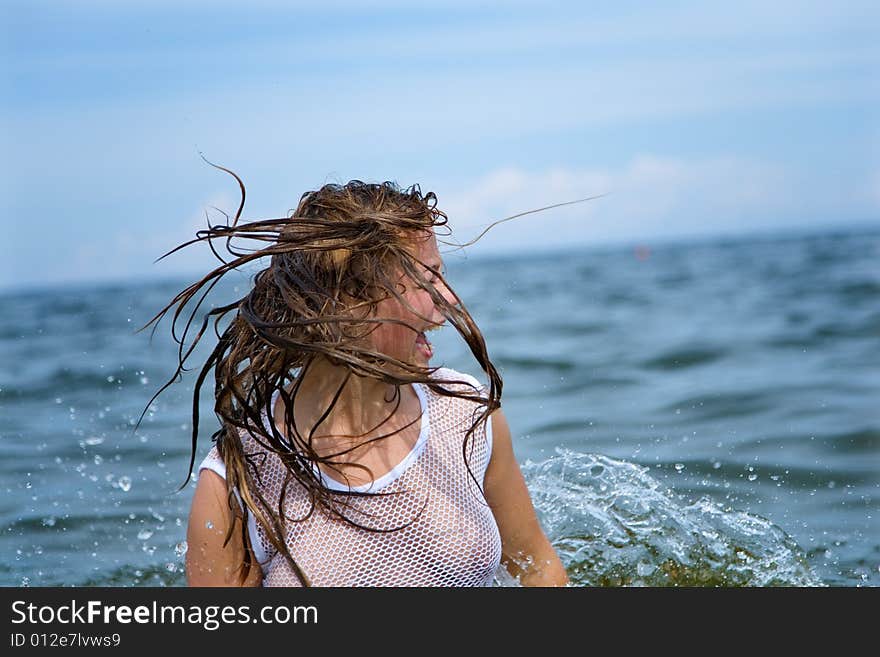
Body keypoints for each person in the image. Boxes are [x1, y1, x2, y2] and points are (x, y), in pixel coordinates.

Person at [144, 169, 568, 587]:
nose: (450, 301)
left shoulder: (467, 414)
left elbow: (539, 571)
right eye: (426, 279)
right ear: (346, 302)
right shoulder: (240, 480)